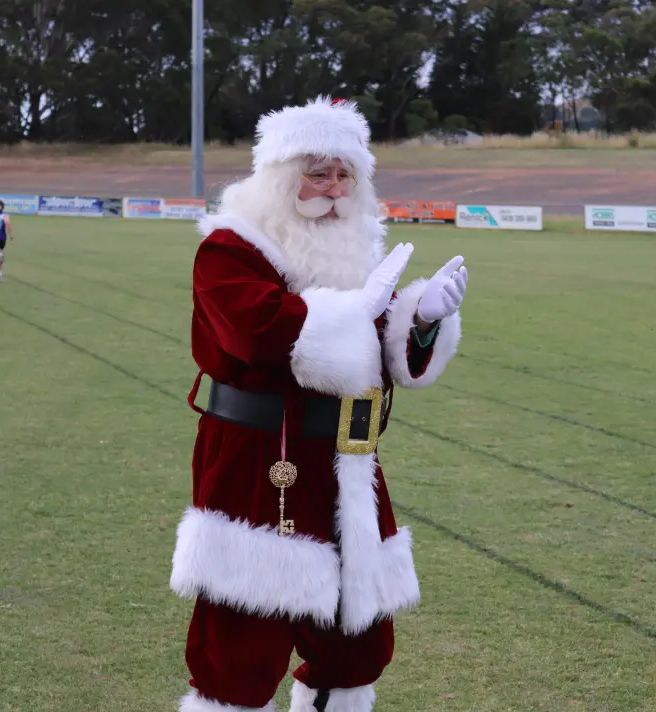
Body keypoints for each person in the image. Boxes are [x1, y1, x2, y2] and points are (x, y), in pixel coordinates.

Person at [168, 96, 468, 712]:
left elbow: (384, 355)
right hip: (260, 460)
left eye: (344, 174)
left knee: (356, 641)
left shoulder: (356, 254)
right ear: (282, 176)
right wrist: (354, 310)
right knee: (243, 640)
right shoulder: (230, 249)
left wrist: (422, 321)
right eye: (317, 172)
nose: (333, 187)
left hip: (349, 465)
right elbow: (258, 330)